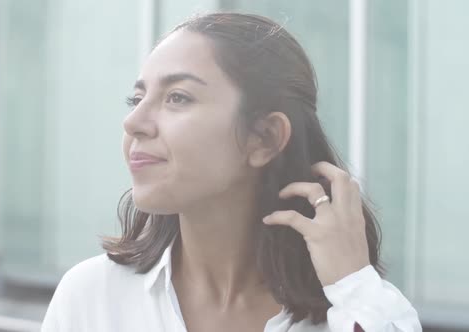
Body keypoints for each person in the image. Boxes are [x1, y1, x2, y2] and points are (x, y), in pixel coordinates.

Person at [41, 12, 421, 332]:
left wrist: (352, 284)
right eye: (137, 99)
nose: (134, 121)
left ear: (265, 138)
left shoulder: (352, 313)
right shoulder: (92, 298)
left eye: (177, 98)